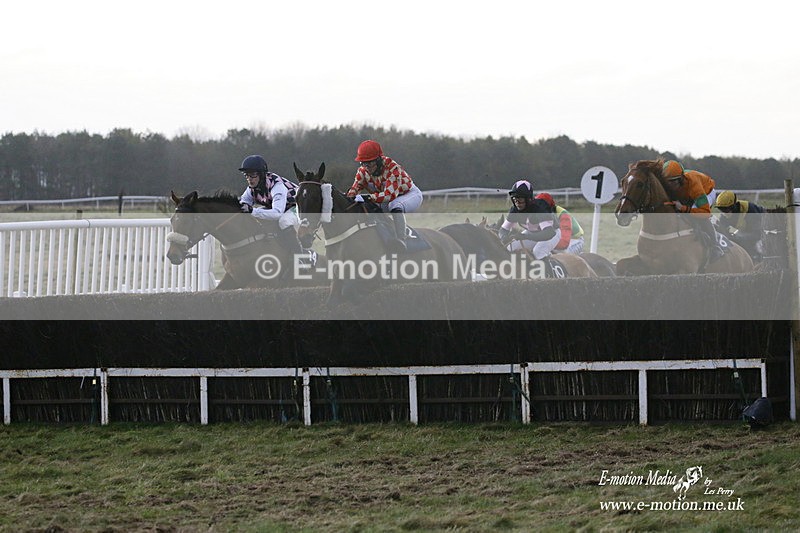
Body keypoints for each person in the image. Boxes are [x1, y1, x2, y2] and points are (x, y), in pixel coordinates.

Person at [347, 140, 423, 253]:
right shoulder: (362, 172)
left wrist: (369, 197)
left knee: (395, 205)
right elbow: (353, 190)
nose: (366, 167)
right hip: (387, 197)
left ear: (378, 160)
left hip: (409, 194)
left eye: (369, 163)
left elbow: (389, 196)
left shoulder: (393, 168)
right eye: (363, 163)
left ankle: (401, 240)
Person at [238, 154, 315, 265]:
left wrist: (253, 211)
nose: (249, 179)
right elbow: (242, 204)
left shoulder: (277, 186)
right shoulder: (251, 189)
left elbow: (277, 213)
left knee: (284, 221)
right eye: (246, 175)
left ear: (261, 174)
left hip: (297, 206)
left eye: (253, 175)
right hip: (281, 208)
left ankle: (302, 257)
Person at [661, 159, 724, 260]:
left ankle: (714, 246)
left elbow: (705, 213)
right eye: (667, 182)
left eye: (674, 181)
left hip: (707, 191)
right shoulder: (668, 184)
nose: (670, 186)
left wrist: (683, 208)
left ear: (681, 178)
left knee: (696, 212)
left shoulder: (694, 184)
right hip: (687, 194)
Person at [497, 180, 560, 259]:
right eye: (515, 198)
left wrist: (525, 236)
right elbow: (503, 230)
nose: (517, 202)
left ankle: (549, 271)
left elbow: (548, 233)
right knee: (510, 248)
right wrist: (504, 238)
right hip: (532, 233)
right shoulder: (514, 210)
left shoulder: (539, 209)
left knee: (538, 252)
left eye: (520, 199)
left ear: (529, 199)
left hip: (552, 233)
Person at [714, 190, 766, 260]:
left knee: (758, 247)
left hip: (764, 232)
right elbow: (724, 235)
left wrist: (736, 239)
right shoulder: (724, 217)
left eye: (725, 209)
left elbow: (757, 234)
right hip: (746, 231)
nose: (723, 213)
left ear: (734, 206)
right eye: (721, 209)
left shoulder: (751, 212)